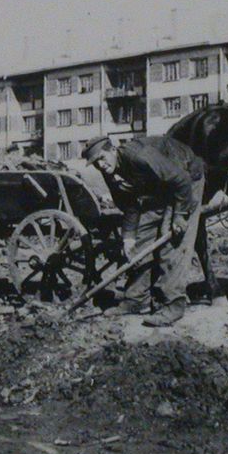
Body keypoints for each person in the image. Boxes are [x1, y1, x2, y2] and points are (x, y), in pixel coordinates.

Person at [83, 133, 205, 327]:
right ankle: (136, 300)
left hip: (186, 178)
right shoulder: (109, 172)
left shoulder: (139, 155)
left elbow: (180, 180)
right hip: (159, 186)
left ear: (112, 150)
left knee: (171, 242)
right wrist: (129, 237)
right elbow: (129, 203)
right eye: (95, 163)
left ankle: (173, 305)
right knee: (139, 242)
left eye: (102, 159)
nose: (101, 165)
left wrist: (179, 216)